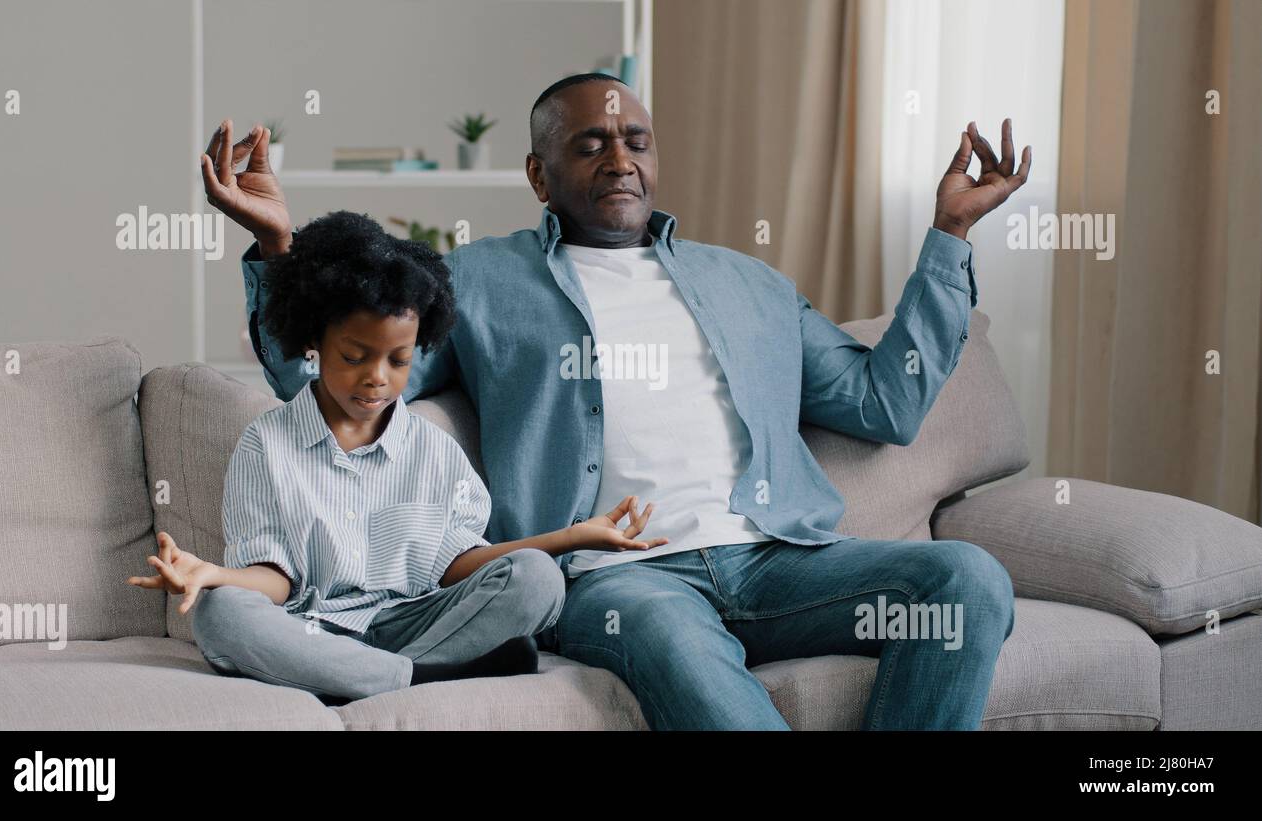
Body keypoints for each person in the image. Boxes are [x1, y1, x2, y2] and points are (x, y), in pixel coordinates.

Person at [205, 71, 1031, 729]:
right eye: (590, 143)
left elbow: (888, 404)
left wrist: (950, 236)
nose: (619, 158)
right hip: (619, 580)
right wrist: (276, 248)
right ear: (539, 172)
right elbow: (330, 389)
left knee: (967, 579)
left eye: (635, 140)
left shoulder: (748, 284)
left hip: (779, 560)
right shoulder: (479, 280)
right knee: (670, 637)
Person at [126, 209, 667, 703]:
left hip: (417, 619)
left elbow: (457, 566)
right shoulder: (265, 445)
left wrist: (571, 538)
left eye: (398, 360)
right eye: (354, 356)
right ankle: (414, 678)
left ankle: (351, 676)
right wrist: (215, 573)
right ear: (314, 342)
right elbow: (276, 580)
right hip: (309, 625)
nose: (377, 378)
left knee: (538, 578)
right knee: (221, 613)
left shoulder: (433, 450)